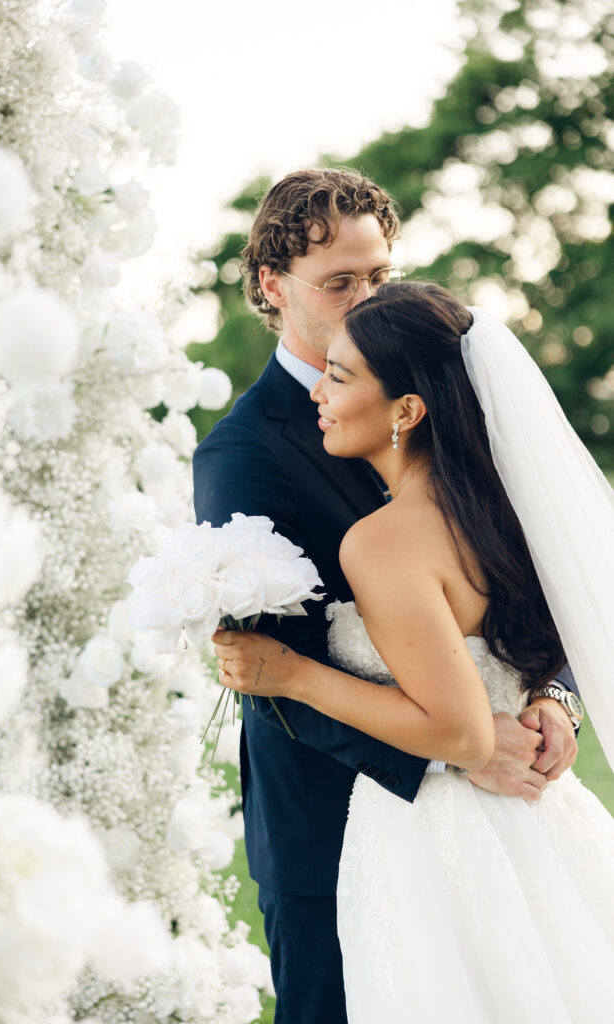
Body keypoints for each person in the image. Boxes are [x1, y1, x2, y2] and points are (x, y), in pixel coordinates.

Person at [192, 168, 579, 1024]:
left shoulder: (456, 407)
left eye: (378, 275)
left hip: (508, 816)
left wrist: (554, 696)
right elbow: (269, 667)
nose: (365, 299)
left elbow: (547, 583)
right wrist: (457, 748)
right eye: (339, 283)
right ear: (272, 285)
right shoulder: (244, 454)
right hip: (333, 832)